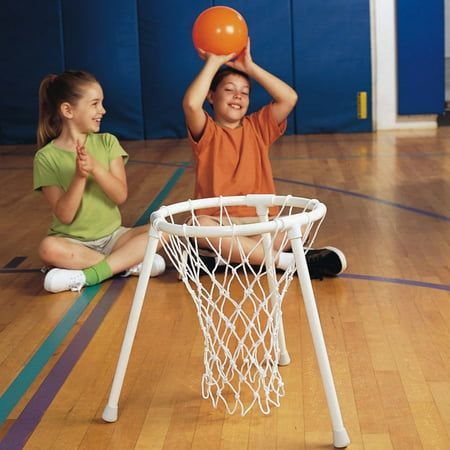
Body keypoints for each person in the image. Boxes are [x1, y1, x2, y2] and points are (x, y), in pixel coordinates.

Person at [182, 40, 346, 278]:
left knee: (302, 222)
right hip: (219, 224)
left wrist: (250, 66)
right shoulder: (206, 131)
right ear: (211, 96)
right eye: (229, 89)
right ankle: (285, 261)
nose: (237, 96)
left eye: (245, 92)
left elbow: (288, 98)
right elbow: (190, 103)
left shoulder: (258, 126)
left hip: (262, 222)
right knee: (199, 226)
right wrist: (213, 62)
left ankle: (226, 259)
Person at [33, 70, 166, 293]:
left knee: (164, 231)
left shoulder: (107, 142)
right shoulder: (46, 157)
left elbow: (120, 195)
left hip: (114, 237)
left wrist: (95, 168)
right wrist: (79, 177)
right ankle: (125, 264)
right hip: (73, 243)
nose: (102, 110)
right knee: (48, 248)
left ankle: (89, 273)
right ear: (68, 110)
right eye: (95, 104)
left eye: (101, 103)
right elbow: (65, 216)